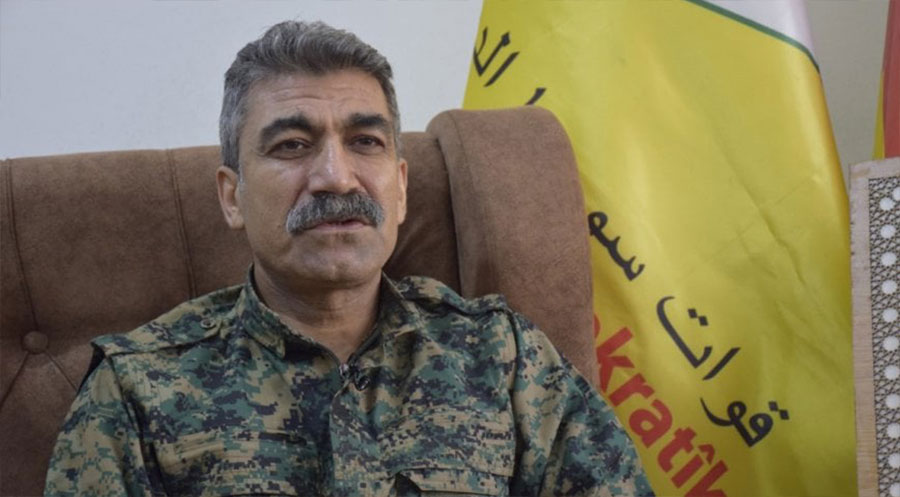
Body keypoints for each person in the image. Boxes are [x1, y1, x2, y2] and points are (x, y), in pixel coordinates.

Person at [44, 20, 653, 497]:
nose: (336, 177)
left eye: (365, 142)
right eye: (292, 145)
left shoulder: (503, 356)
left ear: (400, 188)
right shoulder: (137, 389)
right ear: (233, 197)